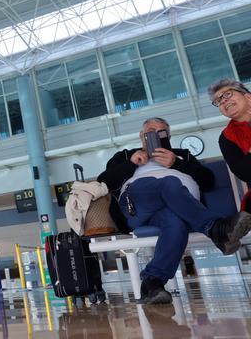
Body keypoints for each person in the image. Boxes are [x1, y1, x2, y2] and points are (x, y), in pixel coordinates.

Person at [97, 117, 251, 304]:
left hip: (177, 210)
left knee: (175, 223)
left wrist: (176, 163)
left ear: (168, 136)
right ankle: (215, 228)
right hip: (136, 206)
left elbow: (208, 181)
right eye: (150, 131)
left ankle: (152, 283)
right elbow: (104, 181)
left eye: (161, 132)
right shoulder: (125, 156)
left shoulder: (182, 155)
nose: (156, 134)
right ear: (141, 136)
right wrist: (131, 163)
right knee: (169, 182)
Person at [209, 79, 251, 208]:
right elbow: (244, 174)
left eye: (227, 94)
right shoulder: (226, 138)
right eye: (218, 100)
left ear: (248, 97)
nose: (223, 100)